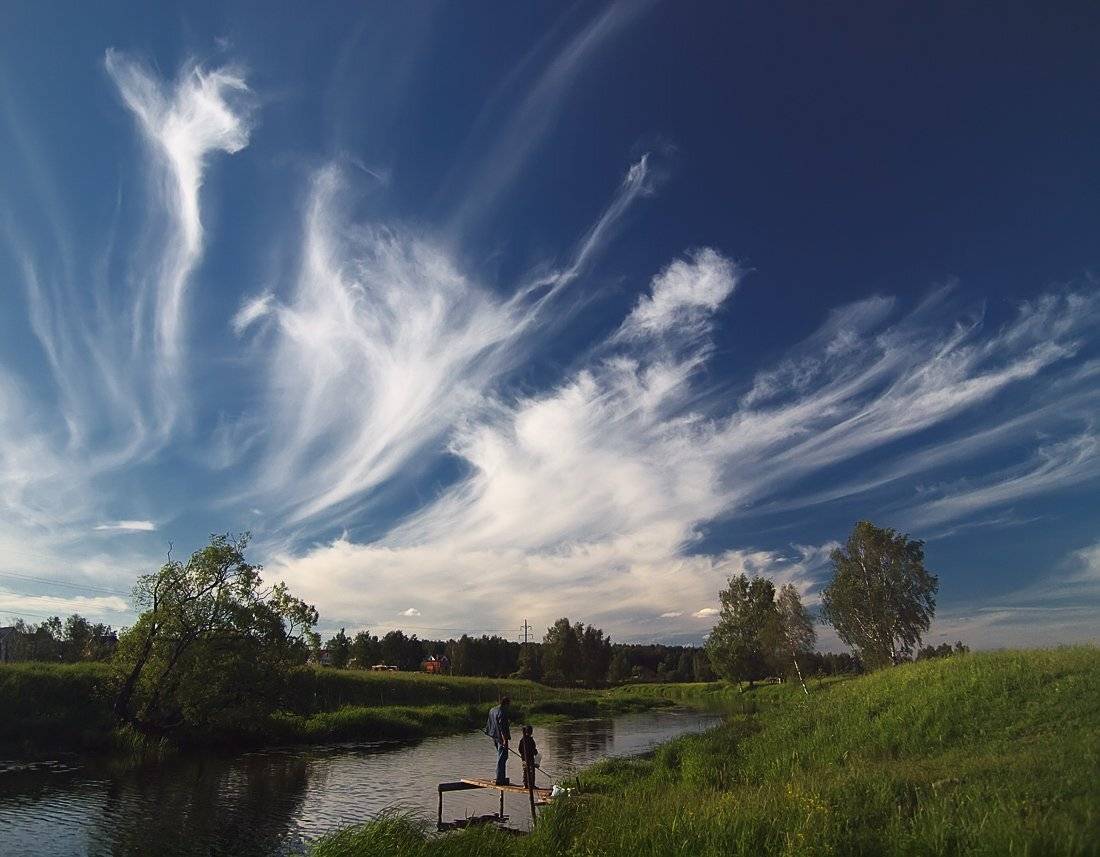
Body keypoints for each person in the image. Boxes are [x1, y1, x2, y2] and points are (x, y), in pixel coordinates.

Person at [485, 696, 512, 785]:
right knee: (503, 757)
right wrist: (505, 740)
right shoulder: (502, 712)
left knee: (500, 756)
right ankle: (500, 779)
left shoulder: (492, 709)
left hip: (494, 736)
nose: (509, 707)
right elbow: (502, 727)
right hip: (501, 738)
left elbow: (490, 723)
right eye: (509, 705)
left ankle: (500, 777)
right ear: (506, 704)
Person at [518, 724, 539, 789]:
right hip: (530, 759)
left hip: (524, 759)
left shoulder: (522, 740)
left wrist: (522, 755)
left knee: (525, 771)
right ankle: (531, 785)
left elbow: (519, 749)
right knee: (531, 771)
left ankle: (525, 784)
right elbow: (534, 749)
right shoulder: (531, 740)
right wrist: (536, 753)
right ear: (531, 732)